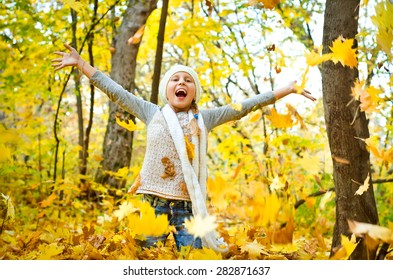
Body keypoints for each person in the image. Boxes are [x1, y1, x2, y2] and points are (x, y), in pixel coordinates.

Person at [52, 43, 316, 254]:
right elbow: (117, 92)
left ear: (194, 92)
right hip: (152, 201)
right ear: (167, 90)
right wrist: (82, 64)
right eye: (175, 79)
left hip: (189, 206)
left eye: (187, 80)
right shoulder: (151, 112)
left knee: (193, 261)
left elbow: (245, 106)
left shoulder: (206, 119)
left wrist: (288, 89)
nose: (181, 83)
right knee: (147, 259)